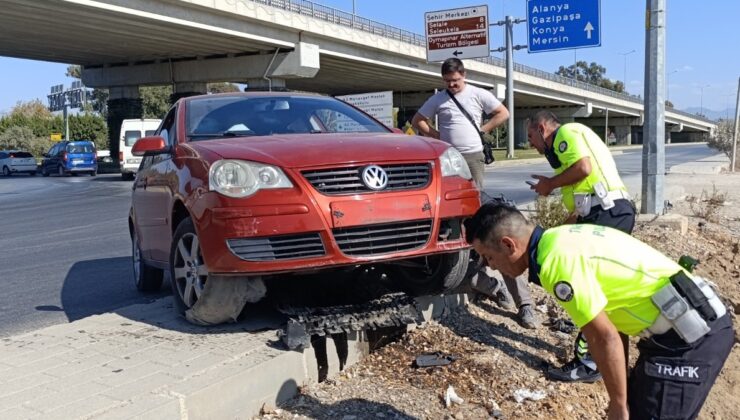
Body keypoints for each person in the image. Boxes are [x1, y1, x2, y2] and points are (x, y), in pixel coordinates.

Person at [465, 203, 734, 420]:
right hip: (678, 332)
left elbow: (603, 338)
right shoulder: (558, 240)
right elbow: (613, 324)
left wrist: (617, 405)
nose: (491, 266)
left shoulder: (555, 263)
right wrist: (623, 392)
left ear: (509, 245)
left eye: (489, 257)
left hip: (691, 339)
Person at [412, 58, 537, 329]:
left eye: (455, 81)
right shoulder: (440, 99)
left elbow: (502, 113)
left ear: (463, 76)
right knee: (457, 233)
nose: (452, 86)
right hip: (448, 157)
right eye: (447, 82)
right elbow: (417, 120)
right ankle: (493, 286)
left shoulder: (477, 94)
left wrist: (482, 130)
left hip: (472, 158)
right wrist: (436, 135)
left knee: (483, 219)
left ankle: (524, 304)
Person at [526, 110, 636, 380]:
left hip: (607, 213)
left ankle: (589, 363)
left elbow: (584, 169)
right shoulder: (569, 149)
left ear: (543, 129)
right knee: (604, 289)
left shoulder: (566, 133)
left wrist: (550, 184)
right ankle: (612, 360)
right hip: (605, 213)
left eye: (531, 136)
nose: (530, 144)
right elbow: (583, 196)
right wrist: (565, 228)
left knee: (591, 289)